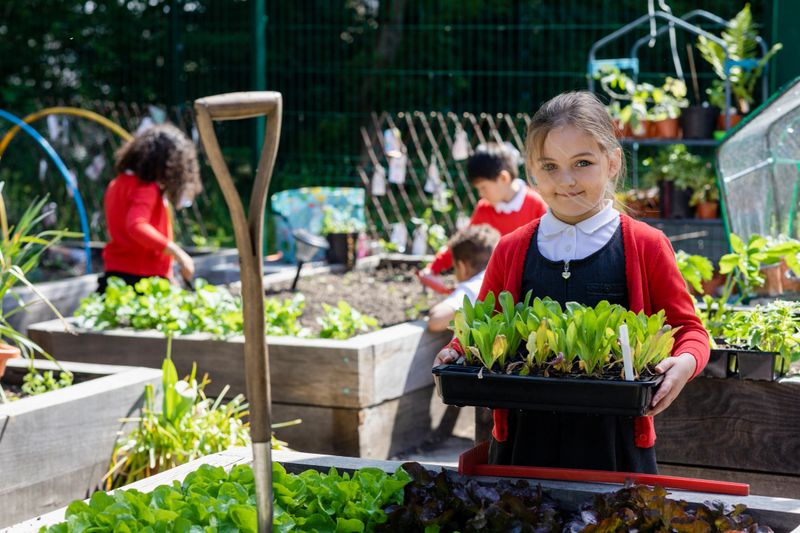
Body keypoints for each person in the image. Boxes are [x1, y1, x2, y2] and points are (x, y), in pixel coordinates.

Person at [434, 91, 709, 473]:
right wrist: (456, 351)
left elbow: (689, 330)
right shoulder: (511, 249)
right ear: (531, 171)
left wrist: (685, 362)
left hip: (615, 444)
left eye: (582, 163)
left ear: (612, 162)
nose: (566, 181)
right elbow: (484, 329)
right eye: (549, 166)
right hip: (522, 442)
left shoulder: (645, 245)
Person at [99, 124, 202, 293]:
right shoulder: (146, 188)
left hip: (115, 274)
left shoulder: (117, 184)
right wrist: (178, 254)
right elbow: (136, 226)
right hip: (144, 278)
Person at [423, 142, 546, 276]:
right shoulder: (484, 209)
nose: (481, 194)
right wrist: (433, 268)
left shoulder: (536, 204)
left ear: (503, 178)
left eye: (483, 187)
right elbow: (464, 243)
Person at [427, 224, 500, 332]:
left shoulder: (472, 286)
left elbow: (436, 321)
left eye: (454, 267)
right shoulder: (499, 276)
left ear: (462, 267)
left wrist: (457, 293)